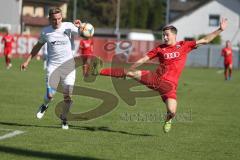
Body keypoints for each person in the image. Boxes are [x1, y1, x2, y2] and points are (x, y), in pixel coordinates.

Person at [100, 18, 228, 133]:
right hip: (155, 79)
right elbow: (144, 59)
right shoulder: (160, 48)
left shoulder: (184, 45)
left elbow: (205, 40)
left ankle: (168, 119)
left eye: (166, 35)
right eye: (163, 35)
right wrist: (131, 68)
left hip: (170, 87)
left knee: (172, 112)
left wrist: (220, 29)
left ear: (174, 35)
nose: (164, 37)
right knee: (130, 72)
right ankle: (98, 71)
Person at [20, 7, 83, 130]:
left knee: (68, 97)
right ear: (50, 19)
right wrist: (27, 61)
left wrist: (81, 27)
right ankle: (45, 105)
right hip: (53, 66)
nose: (57, 21)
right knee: (50, 95)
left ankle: (64, 118)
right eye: (54, 19)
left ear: (62, 18)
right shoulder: (45, 32)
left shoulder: (69, 26)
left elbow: (84, 34)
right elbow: (37, 47)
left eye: (59, 18)